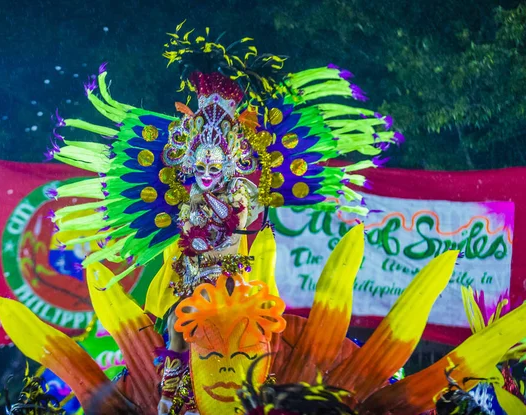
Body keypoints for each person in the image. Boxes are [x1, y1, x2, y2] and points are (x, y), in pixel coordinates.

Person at [46, 23, 402, 414]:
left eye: (215, 163)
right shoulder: (191, 195)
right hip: (191, 277)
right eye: (199, 163)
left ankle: (260, 387)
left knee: (251, 332)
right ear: (189, 159)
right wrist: (192, 233)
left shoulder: (240, 194)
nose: (207, 170)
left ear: (231, 162)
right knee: (176, 330)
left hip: (234, 280)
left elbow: (233, 226)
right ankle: (170, 394)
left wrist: (213, 216)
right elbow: (188, 236)